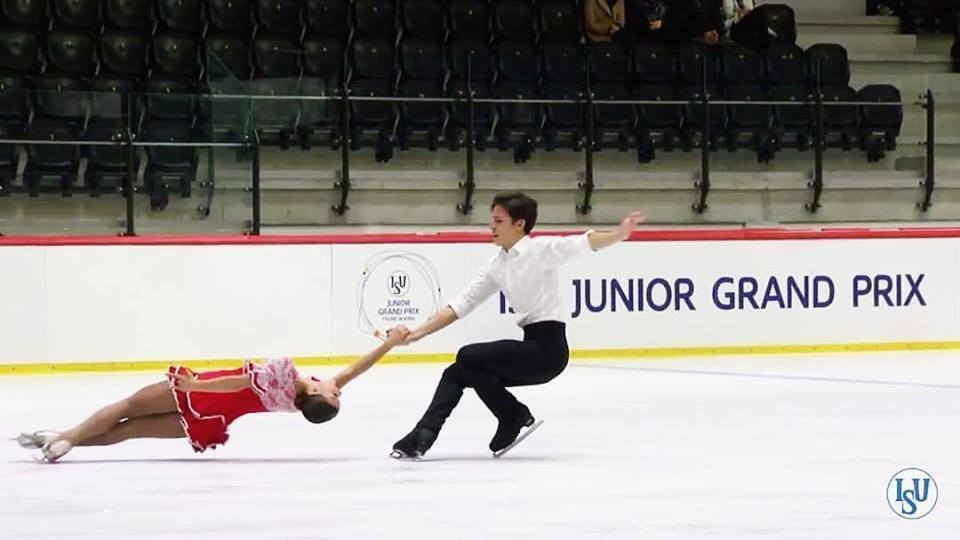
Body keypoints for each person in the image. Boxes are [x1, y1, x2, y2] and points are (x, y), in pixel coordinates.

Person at [391, 192, 644, 459]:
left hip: (548, 351)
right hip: (529, 348)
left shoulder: (541, 251)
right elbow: (460, 305)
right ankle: (423, 435)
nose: (491, 226)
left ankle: (513, 414)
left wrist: (619, 234)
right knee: (458, 372)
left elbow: (584, 242)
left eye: (498, 221)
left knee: (468, 356)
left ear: (519, 224)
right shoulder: (496, 265)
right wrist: (417, 333)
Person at [17, 325, 411, 462]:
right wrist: (390, 343)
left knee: (127, 407)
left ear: (319, 396)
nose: (339, 389)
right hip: (214, 421)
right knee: (128, 431)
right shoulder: (294, 399)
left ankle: (66, 436)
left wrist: (193, 385)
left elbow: (236, 382)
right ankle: (60, 441)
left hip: (202, 396)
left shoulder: (284, 375)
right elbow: (358, 368)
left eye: (336, 396)